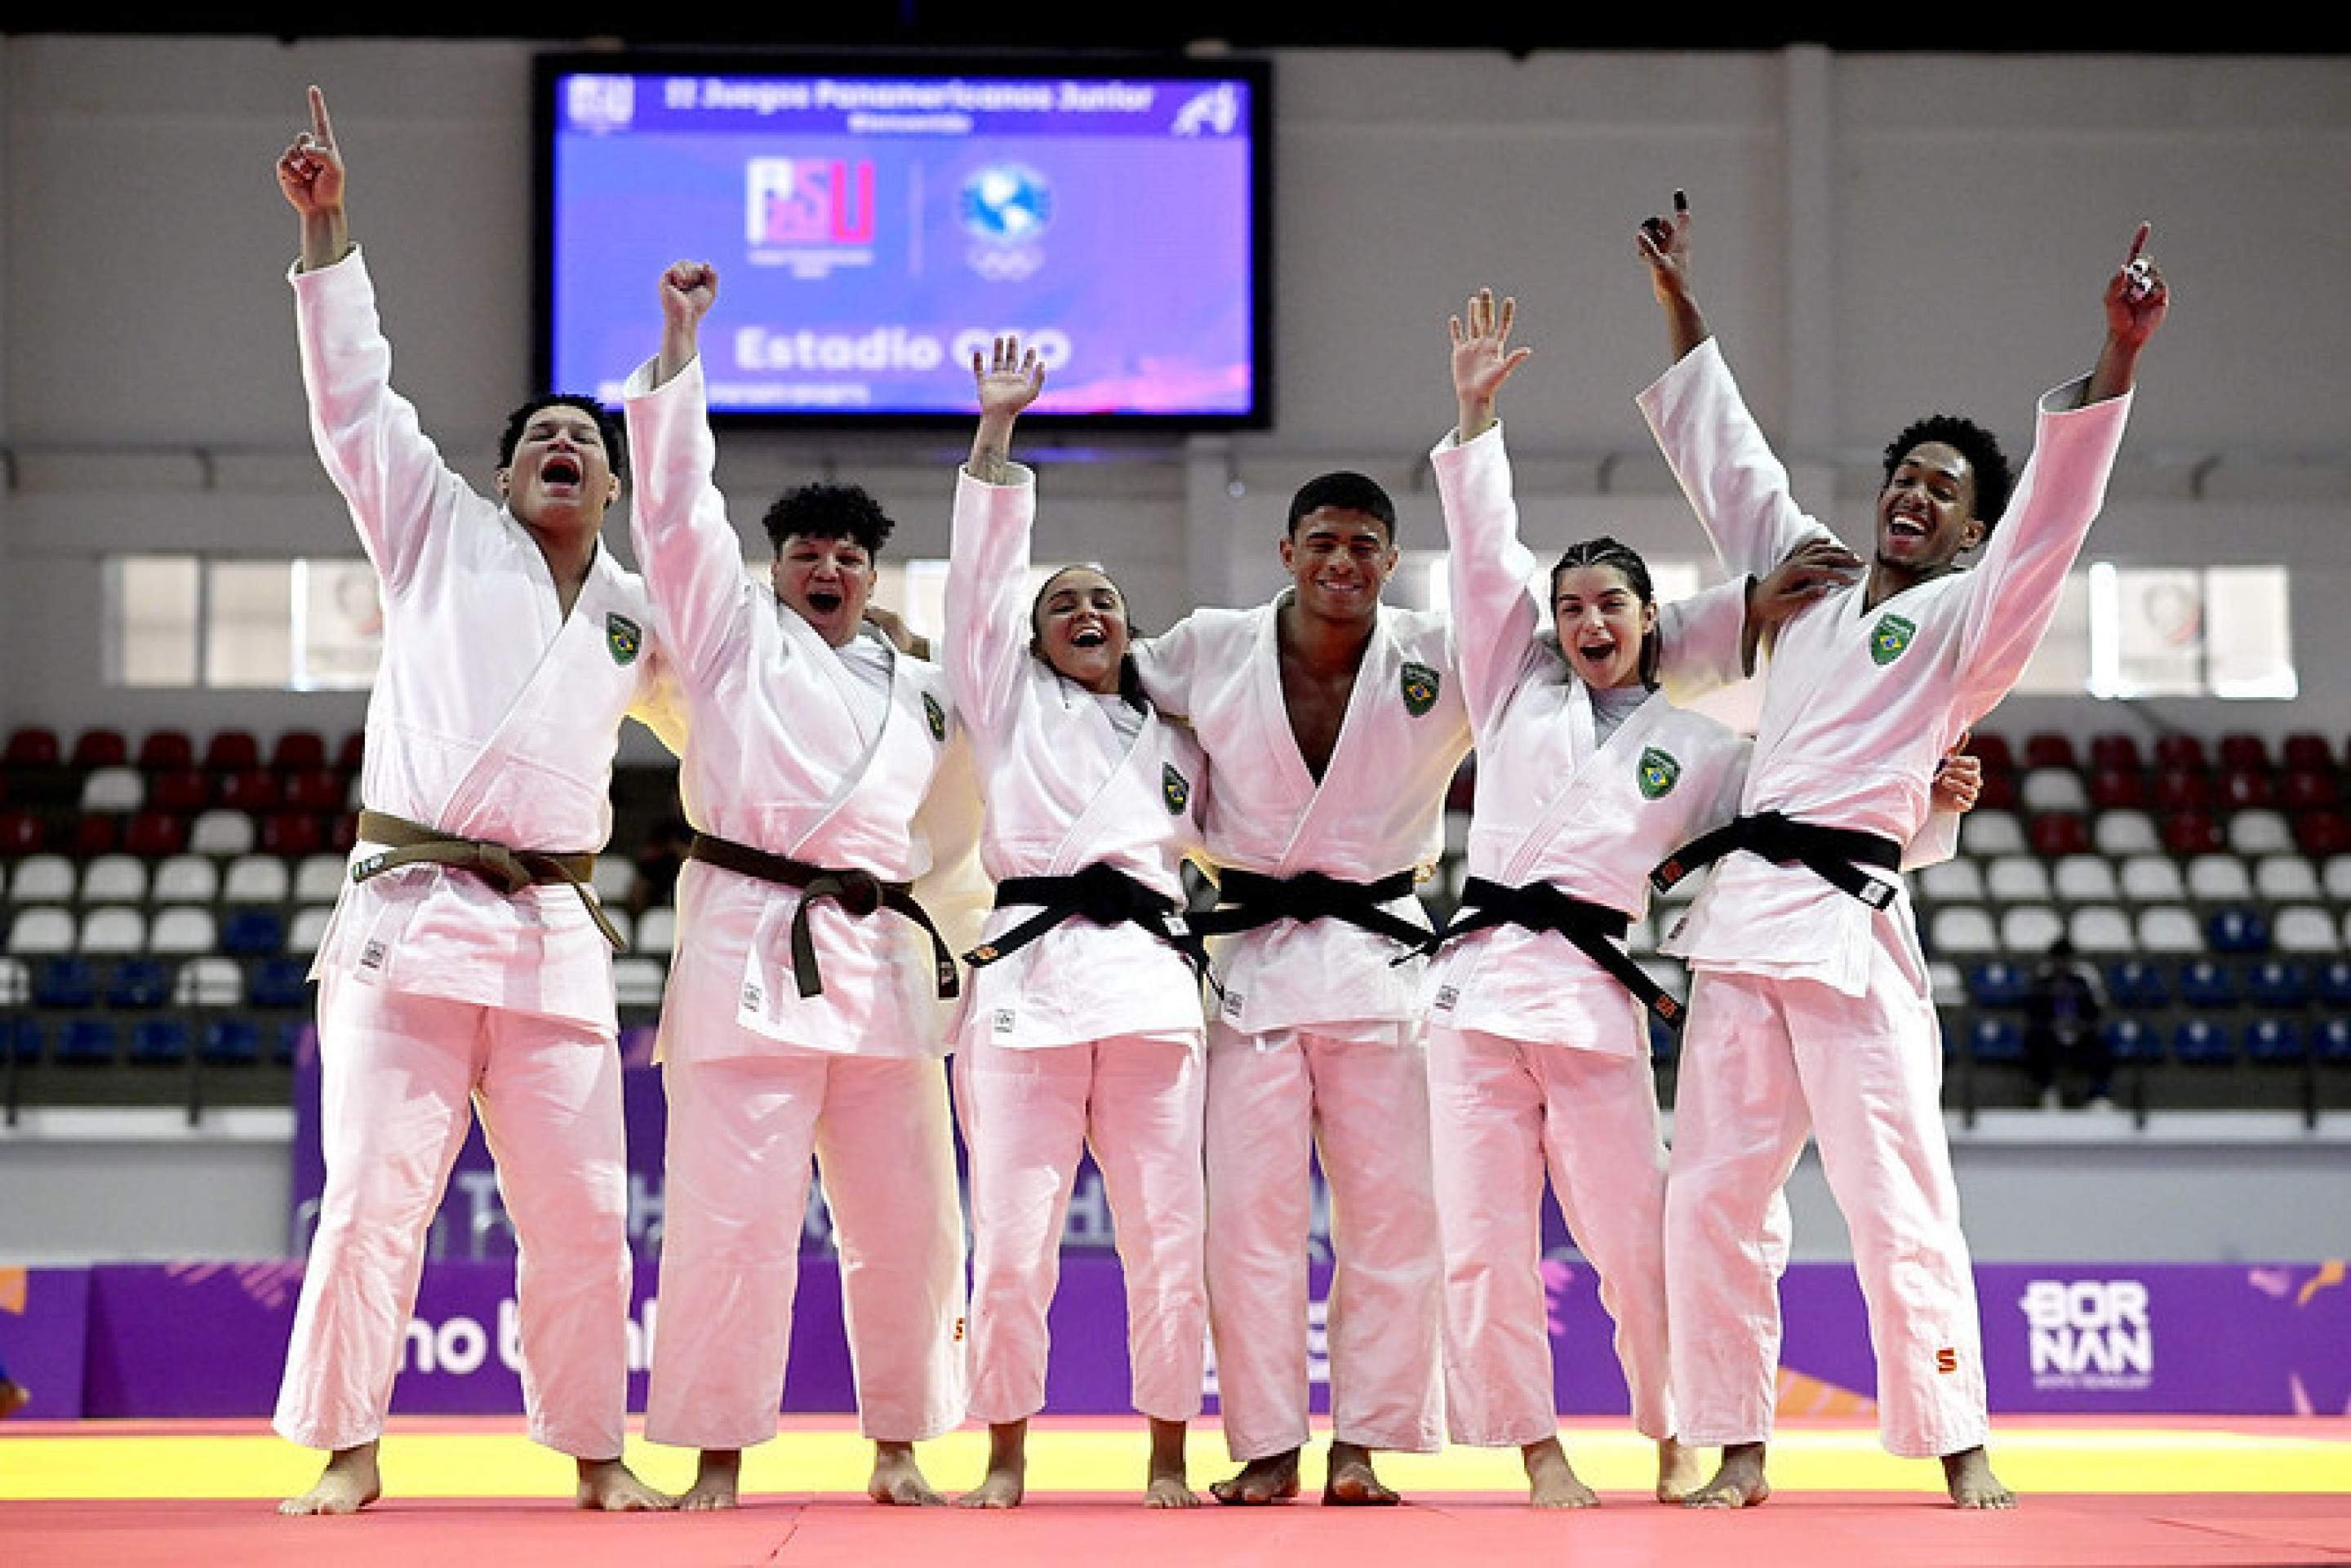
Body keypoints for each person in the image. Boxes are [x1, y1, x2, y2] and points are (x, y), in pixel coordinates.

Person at [1633, 191, 2167, 1508]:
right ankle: (1736, 1443)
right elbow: (1732, 467)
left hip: (1854, 929)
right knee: (1710, 1196)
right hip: (1744, 927)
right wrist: (1681, 304)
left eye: (1945, 488)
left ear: (1972, 532)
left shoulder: (1966, 621)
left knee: (1897, 1196)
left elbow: (2053, 527)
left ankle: (1957, 1438)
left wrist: (2117, 357)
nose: (1914, 493)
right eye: (1906, 475)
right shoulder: (1809, 588)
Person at [1131, 375, 1748, 1505]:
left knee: (1396, 1225)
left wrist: (1749, 614)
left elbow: (1562, 616)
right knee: (1251, 1230)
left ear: (1389, 558)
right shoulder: (1208, 645)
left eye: (1366, 545)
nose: (1343, 561)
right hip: (1256, 965)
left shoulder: (1448, 655)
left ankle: (1362, 1443)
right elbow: (1095, 680)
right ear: (1286, 550)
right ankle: (1266, 1444)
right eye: (1323, 542)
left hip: (1386, 966)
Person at [1424, 290, 1979, 1508]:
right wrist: (1475, 420)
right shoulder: (1511, 689)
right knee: (1481, 1248)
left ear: (1652, 623)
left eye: (1610, 606)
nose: (1587, 623)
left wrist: (1926, 797)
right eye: (1570, 608)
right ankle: (1536, 1448)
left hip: (1594, 1007)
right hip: (1474, 995)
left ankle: (1680, 1425)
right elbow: (1483, 552)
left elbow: (1805, 813)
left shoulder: (1704, 750)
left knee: (1643, 1242)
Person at [270, 86, 682, 1517]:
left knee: (584, 1217)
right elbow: (354, 402)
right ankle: (348, 1446)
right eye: (540, 438)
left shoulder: (639, 618)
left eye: (586, 440)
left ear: (614, 484)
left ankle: (596, 1450)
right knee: (374, 1200)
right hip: (412, 918)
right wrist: (329, 234)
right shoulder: (435, 531)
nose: (564, 447)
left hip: (553, 936)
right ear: (504, 474)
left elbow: (736, 730)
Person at [624, 261, 978, 1511]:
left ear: (876, 576)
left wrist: (964, 961)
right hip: (750, 955)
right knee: (731, 1222)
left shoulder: (927, 694)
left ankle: (901, 1443)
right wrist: (681, 348)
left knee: (914, 1225)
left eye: (848, 555)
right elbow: (677, 514)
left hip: (883, 970)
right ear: (773, 567)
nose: (826, 567)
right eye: (805, 552)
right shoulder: (727, 640)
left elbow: (957, 840)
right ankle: (717, 1451)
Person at [945, 338, 1214, 1509]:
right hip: (1028, 988)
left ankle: (1169, 1452)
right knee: (1012, 1239)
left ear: (1129, 629)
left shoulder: (1178, 739)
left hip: (1150, 990)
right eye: (1062, 603)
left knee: (1169, 1236)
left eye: (1103, 600)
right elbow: (978, 587)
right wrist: (997, 434)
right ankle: (1005, 1449)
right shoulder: (1006, 702)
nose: (1085, 611)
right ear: (1034, 637)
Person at [2024, 936, 2112, 1110]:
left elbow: (2092, 1013)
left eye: (2066, 959)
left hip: (2078, 1036)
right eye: (2058, 959)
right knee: (2034, 1042)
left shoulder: (2081, 984)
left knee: (2102, 1046)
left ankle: (2098, 1095)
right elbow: (2033, 1014)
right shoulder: (2042, 985)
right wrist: (2051, 1025)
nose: (2062, 964)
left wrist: (2080, 1025)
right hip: (2050, 1036)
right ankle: (2048, 1091)